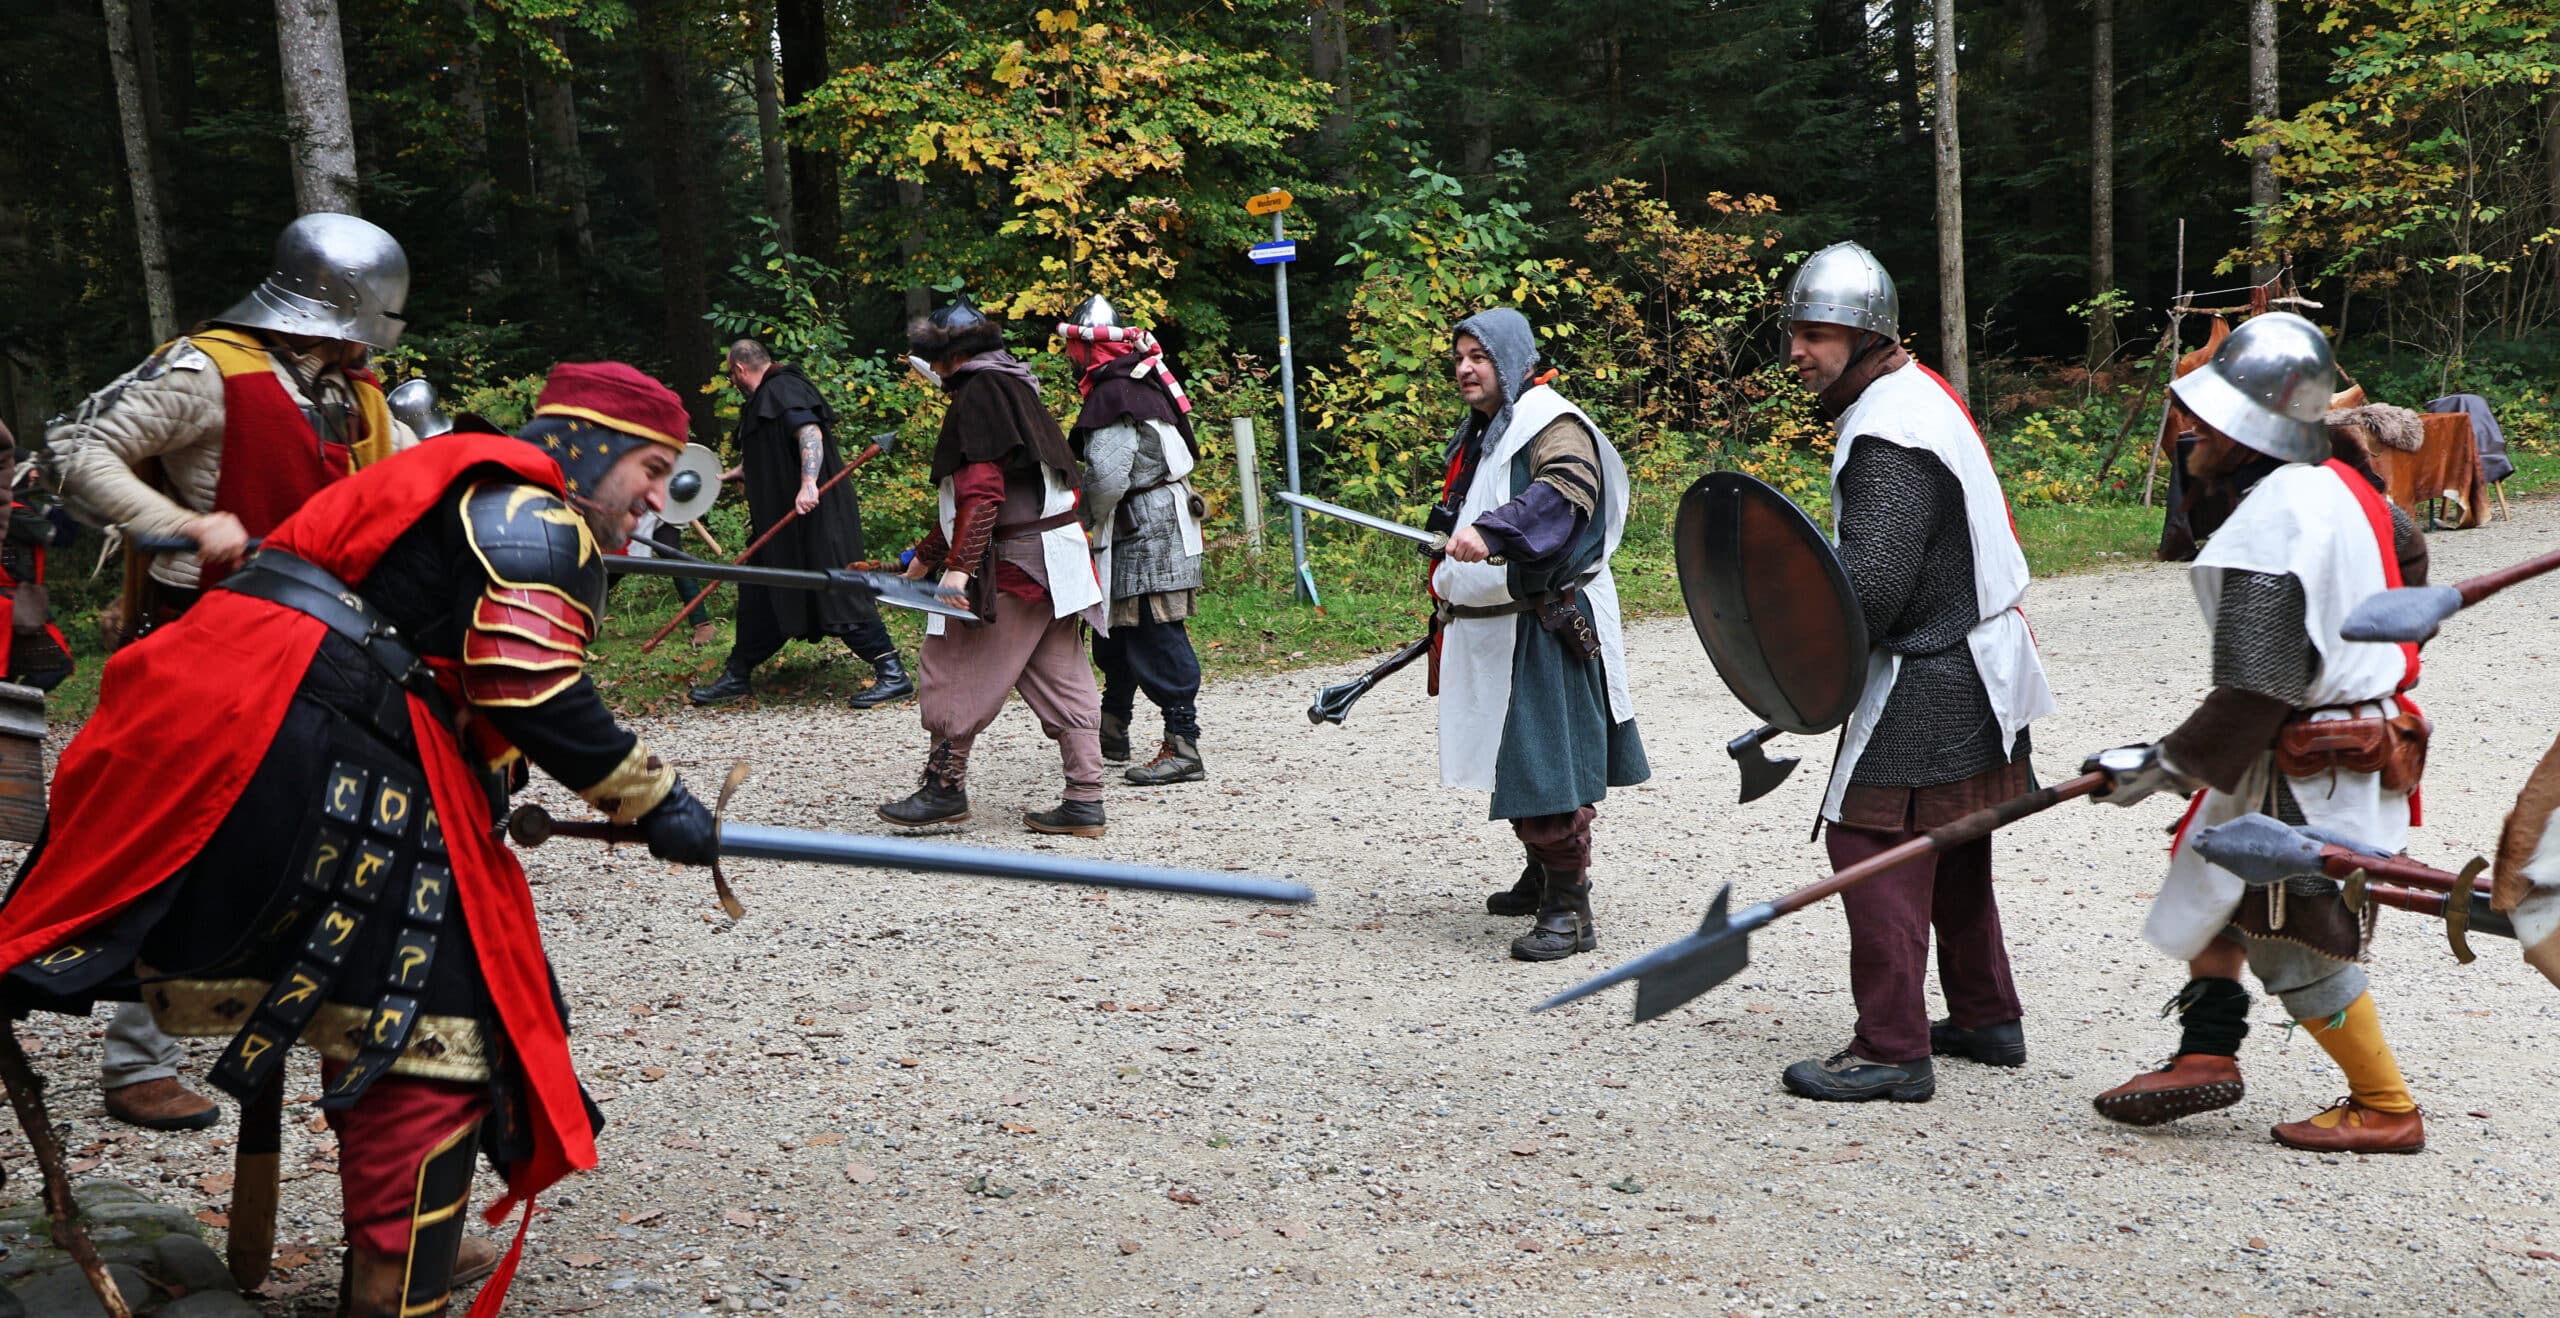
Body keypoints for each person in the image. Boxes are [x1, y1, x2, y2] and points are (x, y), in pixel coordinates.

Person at [0, 361, 721, 1317]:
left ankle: (394, 1254)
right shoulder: (530, 517)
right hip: (289, 741)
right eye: (652, 471)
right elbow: (528, 687)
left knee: (374, 995)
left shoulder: (453, 479)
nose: (657, 501)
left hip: (231, 712)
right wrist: (654, 799)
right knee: (436, 1023)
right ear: (590, 445)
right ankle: (391, 1293)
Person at [38, 211, 417, 1133]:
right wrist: (179, 524)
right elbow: (70, 448)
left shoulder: (360, 396)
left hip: (327, 653)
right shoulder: (205, 369)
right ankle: (138, 1059)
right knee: (179, 834)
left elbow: (413, 487)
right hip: (207, 641)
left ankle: (317, 1024)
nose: (363, 346)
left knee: (332, 839)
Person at [2084, 312, 2434, 1154]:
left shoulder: (2274, 520)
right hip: (2325, 736)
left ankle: (2386, 1106)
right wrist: (2363, 660)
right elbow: (2412, 565)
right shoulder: (2345, 484)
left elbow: (2257, 688)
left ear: (2251, 429)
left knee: (2293, 932)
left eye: (2211, 418)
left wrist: (2162, 766)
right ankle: (2206, 1052)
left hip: (2307, 761)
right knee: (2212, 884)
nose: (2193, 433)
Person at [1771, 243, 2056, 1104]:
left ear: (1866, 336)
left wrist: (1792, 652)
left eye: (1817, 335)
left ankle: (1891, 1048)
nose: (1797, 352)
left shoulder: (1889, 434)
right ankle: (1984, 1016)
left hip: (1935, 667)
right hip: (1975, 659)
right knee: (1954, 841)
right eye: (1794, 333)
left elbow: (1871, 591)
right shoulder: (1914, 393)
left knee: (1870, 843)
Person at [1434, 307, 1647, 962]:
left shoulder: (1553, 423)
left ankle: (1569, 910)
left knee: (1543, 764)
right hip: (1503, 623)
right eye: (1459, 358)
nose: (1466, 369)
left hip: (1547, 622)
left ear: (1512, 359)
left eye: (1479, 357)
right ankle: (1543, 876)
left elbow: (1563, 492)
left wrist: (1494, 530)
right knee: (1514, 759)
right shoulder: (1490, 428)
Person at [878, 303, 1108, 837]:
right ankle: (1084, 800)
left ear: (950, 354)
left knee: (953, 662)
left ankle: (944, 789)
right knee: (1059, 675)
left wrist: (956, 573)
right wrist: (925, 556)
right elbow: (982, 502)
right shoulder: (1012, 384)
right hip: (1056, 564)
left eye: (934, 359)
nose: (932, 371)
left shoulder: (979, 392)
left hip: (1016, 568)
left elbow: (982, 496)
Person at [687, 340, 910, 707]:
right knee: (761, 590)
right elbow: (772, 449)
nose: (732, 381)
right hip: (781, 524)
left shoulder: (783, 387)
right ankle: (737, 674)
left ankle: (892, 672)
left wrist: (808, 483)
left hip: (817, 518)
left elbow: (809, 433)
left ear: (740, 369)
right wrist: (741, 471)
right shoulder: (765, 398)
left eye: (730, 375)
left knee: (837, 587)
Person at [1057, 295, 1208, 785]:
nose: (1069, 358)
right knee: (1119, 629)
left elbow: (1106, 476)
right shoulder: (1138, 381)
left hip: (1147, 526)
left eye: (1073, 350)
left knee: (1154, 630)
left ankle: (1183, 746)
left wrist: (1078, 517)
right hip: (1147, 519)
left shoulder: (1115, 392)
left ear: (1088, 349)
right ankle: (1113, 726)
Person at [0, 443, 76, 691]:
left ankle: (10, 710)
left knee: (7, 675)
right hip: (11, 607)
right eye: (28, 469)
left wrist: (62, 496)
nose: (34, 474)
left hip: (15, 605)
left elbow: (65, 532)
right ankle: (13, 710)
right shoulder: (13, 514)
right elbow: (61, 536)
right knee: (57, 665)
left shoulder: (19, 508)